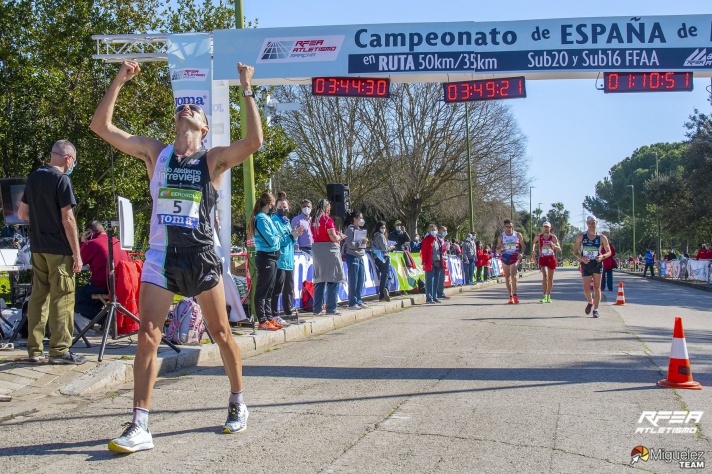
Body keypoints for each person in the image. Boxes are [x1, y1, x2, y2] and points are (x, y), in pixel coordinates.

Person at [91, 60, 262, 451]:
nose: (187, 109)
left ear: (203, 128)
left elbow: (253, 143)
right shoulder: (156, 153)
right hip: (161, 258)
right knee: (148, 337)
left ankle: (237, 401)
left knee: (220, 334)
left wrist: (246, 88)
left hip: (201, 257)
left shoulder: (212, 159)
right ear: (176, 124)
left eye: (195, 111)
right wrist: (119, 79)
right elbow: (101, 127)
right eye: (182, 109)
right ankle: (140, 424)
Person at [17, 139, 86, 365]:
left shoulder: (34, 177)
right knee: (63, 299)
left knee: (38, 298)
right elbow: (68, 219)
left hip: (38, 247)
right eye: (73, 161)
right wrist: (76, 254)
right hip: (59, 248)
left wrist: (42, 220)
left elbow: (22, 213)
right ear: (68, 159)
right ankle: (59, 351)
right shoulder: (62, 180)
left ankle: (34, 350)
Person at [75, 221, 132, 324]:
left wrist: (83, 242)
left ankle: (105, 319)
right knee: (93, 300)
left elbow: (78, 260)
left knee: (74, 300)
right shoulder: (118, 242)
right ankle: (105, 319)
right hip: (121, 285)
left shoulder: (92, 243)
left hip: (102, 285)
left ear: (89, 232)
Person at [248, 192, 287, 331]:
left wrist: (277, 236)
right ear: (269, 204)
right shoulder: (261, 218)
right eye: (273, 205)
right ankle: (262, 319)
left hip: (273, 258)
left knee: (270, 290)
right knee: (262, 290)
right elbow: (271, 239)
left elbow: (277, 236)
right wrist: (277, 236)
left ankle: (269, 317)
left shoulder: (267, 218)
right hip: (265, 256)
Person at [270, 192, 303, 326]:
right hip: (280, 260)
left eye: (285, 206)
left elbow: (291, 241)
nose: (283, 208)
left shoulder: (287, 222)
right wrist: (291, 236)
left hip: (289, 260)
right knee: (277, 288)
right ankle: (274, 313)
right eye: (280, 206)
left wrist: (296, 235)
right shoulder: (274, 221)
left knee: (289, 288)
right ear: (276, 207)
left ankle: (288, 312)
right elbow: (280, 241)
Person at [310, 199, 346, 315]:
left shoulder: (313, 220)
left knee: (319, 280)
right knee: (333, 279)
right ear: (325, 207)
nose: (330, 210)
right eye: (329, 208)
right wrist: (340, 237)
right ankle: (331, 308)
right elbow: (333, 237)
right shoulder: (327, 220)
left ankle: (317, 308)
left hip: (317, 250)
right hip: (330, 250)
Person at [573, 215, 612, 319]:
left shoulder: (602, 237)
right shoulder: (581, 236)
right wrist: (581, 258)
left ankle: (596, 310)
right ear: (587, 224)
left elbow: (609, 252)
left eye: (593, 222)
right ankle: (590, 301)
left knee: (597, 287)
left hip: (597, 263)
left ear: (596, 223)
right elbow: (575, 251)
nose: (591, 225)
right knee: (586, 290)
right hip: (586, 263)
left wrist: (602, 256)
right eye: (589, 223)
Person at [496, 219, 525, 304]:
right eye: (507, 227)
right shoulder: (501, 236)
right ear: (504, 227)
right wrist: (500, 249)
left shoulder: (518, 235)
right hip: (505, 257)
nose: (509, 228)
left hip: (514, 257)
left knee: (513, 276)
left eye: (510, 227)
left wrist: (522, 253)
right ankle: (510, 296)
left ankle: (515, 295)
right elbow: (497, 249)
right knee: (507, 277)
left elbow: (523, 246)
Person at [532, 221, 561, 303]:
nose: (546, 229)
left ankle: (548, 295)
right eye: (544, 227)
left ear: (550, 228)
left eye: (547, 227)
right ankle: (544, 295)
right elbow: (534, 242)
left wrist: (554, 246)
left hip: (551, 258)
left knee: (550, 278)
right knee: (545, 276)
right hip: (543, 258)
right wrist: (533, 249)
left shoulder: (553, 237)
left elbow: (559, 248)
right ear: (542, 228)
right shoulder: (539, 236)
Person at [344, 210, 368, 310]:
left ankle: (358, 300)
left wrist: (364, 242)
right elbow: (349, 244)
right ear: (355, 219)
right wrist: (360, 243)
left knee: (360, 279)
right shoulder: (350, 229)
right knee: (353, 279)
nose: (362, 220)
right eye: (360, 218)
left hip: (360, 256)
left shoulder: (360, 230)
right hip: (352, 255)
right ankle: (352, 302)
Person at [371, 220, 395, 301]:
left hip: (377, 258)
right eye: (382, 227)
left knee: (386, 275)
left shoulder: (374, 236)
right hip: (383, 257)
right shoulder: (381, 236)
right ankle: (383, 292)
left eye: (384, 227)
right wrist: (391, 247)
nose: (383, 229)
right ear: (378, 228)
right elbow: (385, 249)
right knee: (386, 275)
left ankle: (385, 291)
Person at [420, 224, 442, 304]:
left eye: (434, 229)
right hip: (430, 263)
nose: (433, 231)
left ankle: (434, 296)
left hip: (438, 262)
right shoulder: (427, 239)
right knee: (429, 281)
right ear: (429, 231)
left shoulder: (437, 239)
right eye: (431, 230)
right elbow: (424, 252)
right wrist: (424, 262)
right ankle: (429, 298)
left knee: (436, 281)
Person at [436, 226, 451, 300]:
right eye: (444, 230)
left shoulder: (442, 238)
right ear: (439, 230)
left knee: (442, 278)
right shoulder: (437, 238)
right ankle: (438, 293)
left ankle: (441, 292)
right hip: (439, 259)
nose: (445, 231)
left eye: (446, 230)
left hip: (443, 259)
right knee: (439, 277)